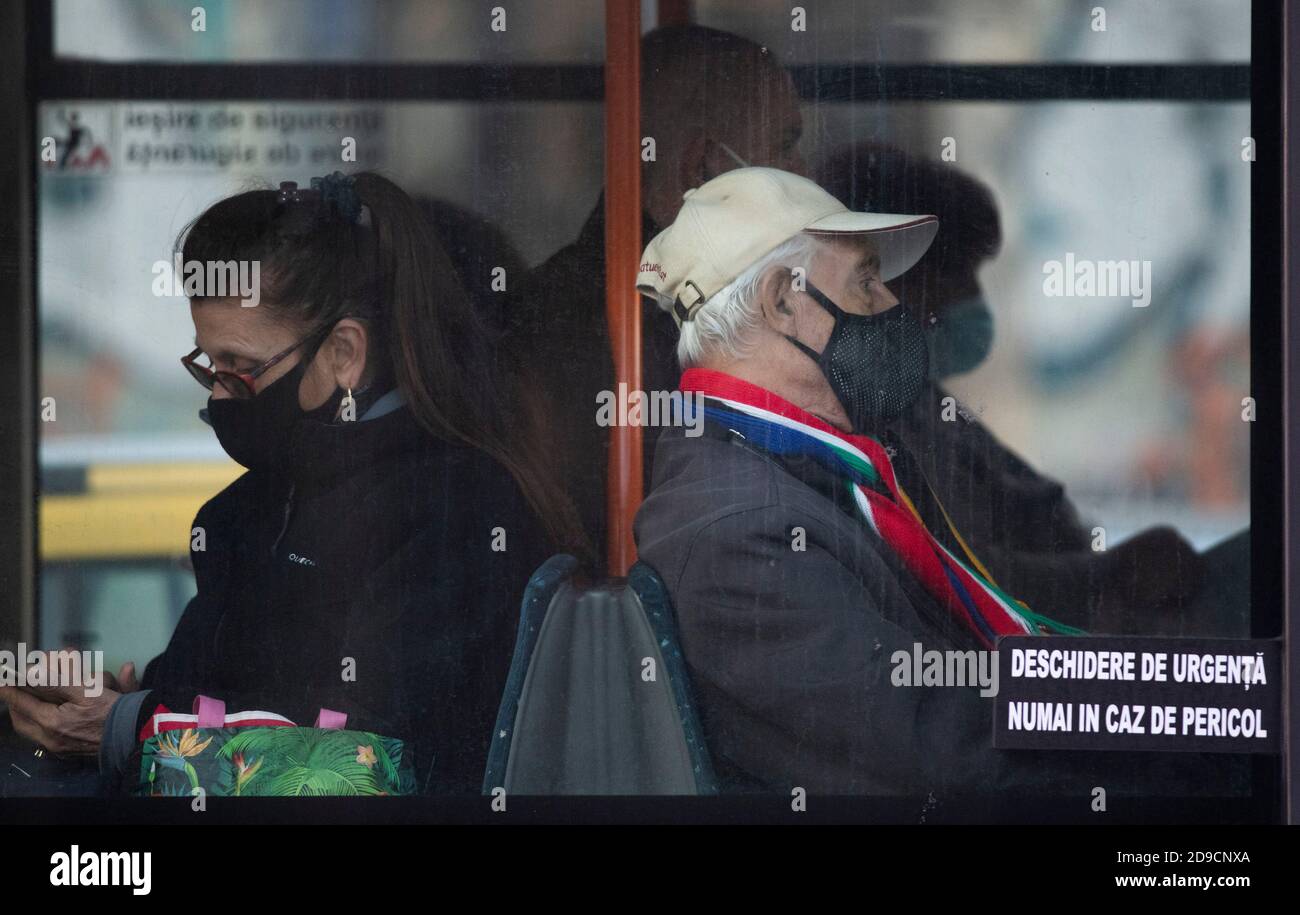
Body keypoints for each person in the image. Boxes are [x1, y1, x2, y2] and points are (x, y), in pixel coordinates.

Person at [632, 166, 1245, 794]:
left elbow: (975, 632)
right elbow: (943, 750)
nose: (894, 304)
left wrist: (1172, 695)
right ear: (782, 302)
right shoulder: (735, 531)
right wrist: (1171, 735)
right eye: (866, 280)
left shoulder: (812, 463)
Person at [0, 172, 584, 795]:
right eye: (209, 365)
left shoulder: (455, 513)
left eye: (242, 370)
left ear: (344, 354)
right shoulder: (248, 509)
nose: (220, 396)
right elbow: (205, 697)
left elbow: (363, 770)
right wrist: (118, 705)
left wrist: (129, 731)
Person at [818, 143, 1241, 637]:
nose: (970, 299)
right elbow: (969, 574)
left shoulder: (922, 401)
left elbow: (1034, 505)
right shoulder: (867, 419)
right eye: (957, 275)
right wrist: (1112, 572)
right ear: (892, 278)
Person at [503, 23, 808, 570]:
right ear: (704, 168)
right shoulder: (609, 330)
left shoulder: (662, 305)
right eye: (785, 151)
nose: (804, 177)